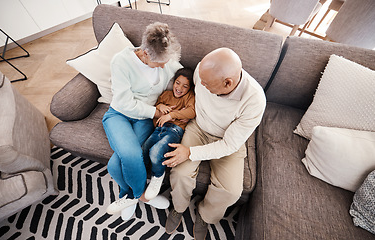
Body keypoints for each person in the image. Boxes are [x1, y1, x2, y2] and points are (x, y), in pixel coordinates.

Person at [163, 48, 266, 239]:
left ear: (228, 83)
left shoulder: (255, 100)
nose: (201, 85)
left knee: (231, 191)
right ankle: (178, 207)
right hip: (198, 128)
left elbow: (229, 145)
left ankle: (205, 216)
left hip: (227, 140)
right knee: (180, 172)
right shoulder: (202, 72)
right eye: (201, 79)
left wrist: (190, 153)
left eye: (207, 84)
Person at [102, 22, 182, 220]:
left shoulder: (165, 59)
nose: (165, 66)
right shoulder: (120, 62)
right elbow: (124, 102)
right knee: (130, 154)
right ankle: (141, 196)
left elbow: (185, 75)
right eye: (160, 63)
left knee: (114, 165)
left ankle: (126, 195)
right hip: (119, 114)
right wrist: (155, 111)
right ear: (145, 53)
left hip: (144, 120)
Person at [142, 67, 195, 201]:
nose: (179, 88)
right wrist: (160, 107)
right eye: (177, 83)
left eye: (185, 86)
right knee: (143, 151)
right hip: (158, 129)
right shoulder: (166, 94)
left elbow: (191, 112)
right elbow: (157, 104)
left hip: (174, 130)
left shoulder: (189, 97)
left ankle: (158, 176)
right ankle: (139, 183)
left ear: (189, 88)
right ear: (173, 82)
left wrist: (171, 115)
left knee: (156, 151)